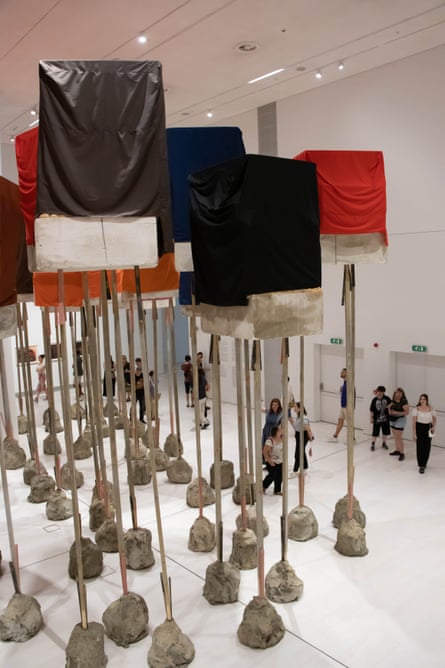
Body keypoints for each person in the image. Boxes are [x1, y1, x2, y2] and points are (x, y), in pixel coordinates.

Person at [412, 393, 437, 474]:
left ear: (427, 400)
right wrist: (414, 433)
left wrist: (433, 427)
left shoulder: (431, 408)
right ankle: (421, 465)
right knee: (420, 446)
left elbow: (434, 419)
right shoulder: (416, 409)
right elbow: (414, 423)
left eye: (424, 399)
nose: (422, 400)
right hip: (419, 428)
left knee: (427, 446)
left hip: (428, 427)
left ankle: (425, 462)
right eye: (421, 399)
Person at [289, 402, 314, 473]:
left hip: (303, 436)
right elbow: (296, 426)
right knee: (301, 451)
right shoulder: (298, 416)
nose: (294, 408)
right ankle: (305, 466)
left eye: (295, 407)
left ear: (300, 408)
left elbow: (308, 429)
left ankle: (295, 470)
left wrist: (311, 438)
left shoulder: (303, 418)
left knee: (298, 453)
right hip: (298, 436)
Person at [328, 367, 350, 442]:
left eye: (343, 372)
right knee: (340, 420)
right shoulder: (345, 382)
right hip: (343, 406)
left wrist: (350, 407)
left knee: (349, 423)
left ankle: (352, 439)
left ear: (347, 373)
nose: (341, 373)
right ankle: (335, 436)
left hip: (347, 406)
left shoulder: (350, 383)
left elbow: (352, 395)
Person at [388, 387, 409, 461]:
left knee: (398, 437)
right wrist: (389, 408)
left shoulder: (404, 401)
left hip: (400, 420)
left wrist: (396, 413)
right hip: (392, 420)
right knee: (395, 436)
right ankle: (397, 450)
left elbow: (407, 412)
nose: (398, 394)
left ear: (402, 394)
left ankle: (402, 453)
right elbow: (390, 412)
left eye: (400, 392)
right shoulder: (392, 401)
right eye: (396, 392)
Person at [262, 424, 284, 495]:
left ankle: (277, 490)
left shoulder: (282, 439)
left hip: (280, 461)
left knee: (279, 476)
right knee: (272, 475)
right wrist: (269, 461)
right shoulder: (270, 440)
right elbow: (264, 452)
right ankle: (263, 486)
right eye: (279, 430)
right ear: (276, 432)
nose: (281, 431)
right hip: (271, 461)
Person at [369, 385, 391, 451]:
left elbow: (392, 403)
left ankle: (384, 443)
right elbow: (371, 410)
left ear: (384, 392)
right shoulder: (374, 400)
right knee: (375, 432)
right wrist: (371, 418)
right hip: (377, 419)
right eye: (379, 391)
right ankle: (373, 444)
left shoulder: (387, 398)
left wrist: (388, 406)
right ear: (377, 391)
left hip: (385, 419)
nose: (380, 393)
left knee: (385, 432)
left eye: (381, 391)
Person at [134, 357, 146, 423]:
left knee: (142, 406)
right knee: (133, 405)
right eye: (137, 363)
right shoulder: (135, 371)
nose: (138, 364)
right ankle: (131, 418)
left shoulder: (143, 371)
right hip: (136, 391)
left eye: (139, 363)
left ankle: (141, 419)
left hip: (142, 390)